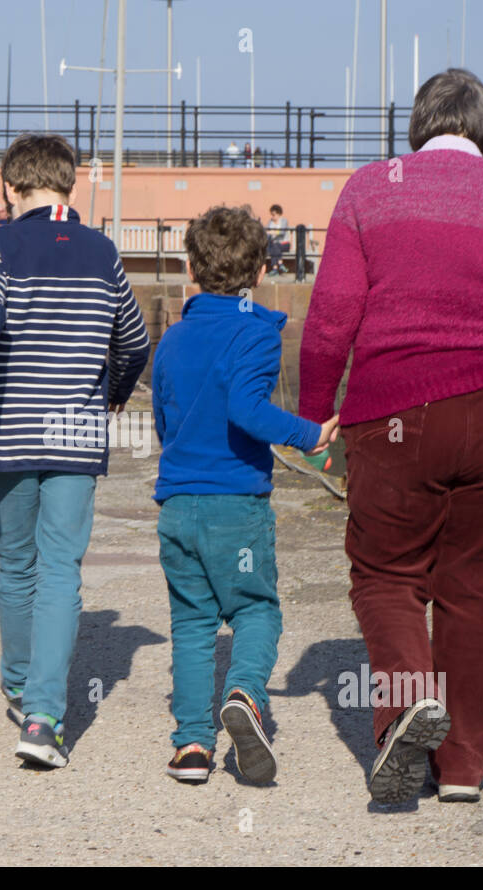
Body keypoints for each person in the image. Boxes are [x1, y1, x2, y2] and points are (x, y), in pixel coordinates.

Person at [299, 68, 483, 805]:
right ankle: (463, 765)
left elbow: (331, 316)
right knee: (478, 589)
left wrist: (312, 411)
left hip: (397, 410)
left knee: (388, 574)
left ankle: (405, 709)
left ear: (419, 127)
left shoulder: (369, 190)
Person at [0, 132, 150, 769]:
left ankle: (17, 679)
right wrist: (112, 395)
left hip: (8, 424)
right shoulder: (102, 250)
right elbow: (135, 340)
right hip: (76, 429)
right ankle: (42, 718)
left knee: (16, 561)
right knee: (61, 567)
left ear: (10, 188)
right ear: (72, 184)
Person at [153, 206, 337, 785]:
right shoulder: (255, 333)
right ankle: (245, 694)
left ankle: (190, 747)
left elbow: (163, 421)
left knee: (191, 623)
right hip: (236, 505)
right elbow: (246, 410)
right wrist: (311, 436)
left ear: (191, 267)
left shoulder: (173, 339)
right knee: (256, 607)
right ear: (260, 272)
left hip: (178, 506)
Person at [265, 203, 291, 274]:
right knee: (272, 247)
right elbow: (267, 231)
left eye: (274, 215)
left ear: (279, 214)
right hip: (274, 245)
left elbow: (282, 232)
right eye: (271, 215)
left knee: (274, 246)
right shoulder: (271, 222)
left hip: (284, 244)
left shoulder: (283, 221)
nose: (272, 217)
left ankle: (276, 268)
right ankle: (278, 266)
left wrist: (272, 232)